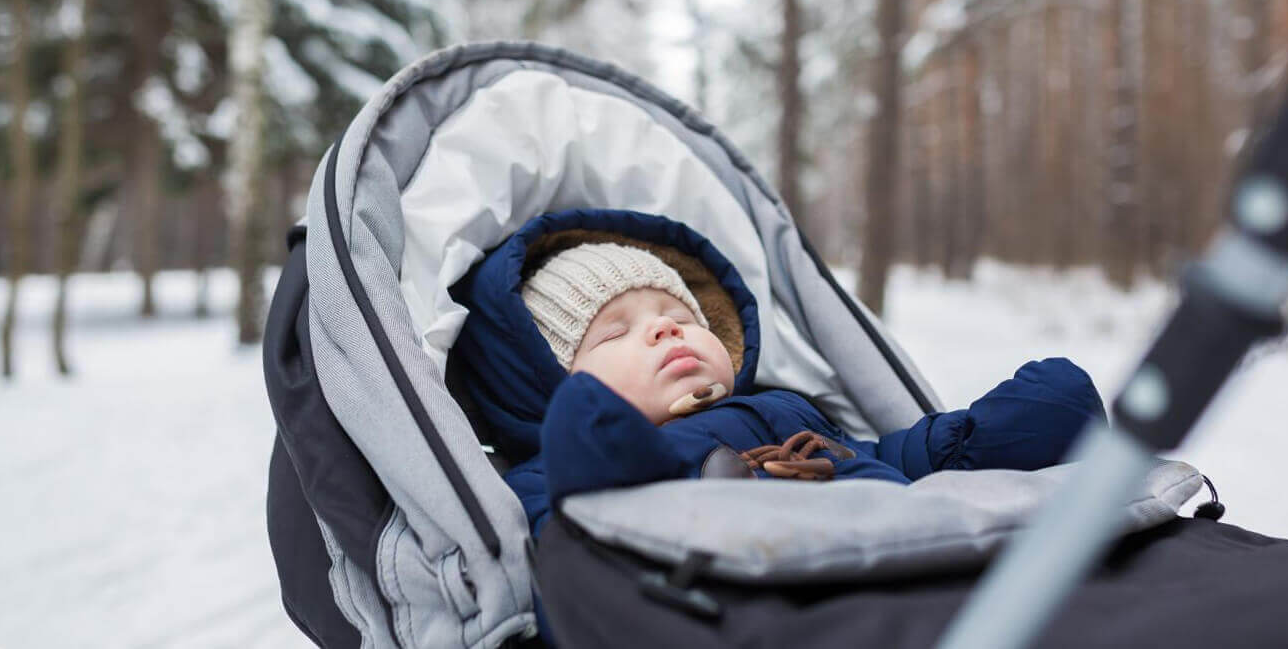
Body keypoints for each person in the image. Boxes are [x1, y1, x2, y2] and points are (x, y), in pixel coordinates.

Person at [450, 210, 1109, 547]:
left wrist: (971, 439)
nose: (665, 329)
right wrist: (611, 468)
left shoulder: (787, 408)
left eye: (679, 313)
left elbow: (882, 455)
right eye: (614, 332)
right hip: (758, 602)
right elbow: (570, 566)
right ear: (543, 381)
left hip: (913, 548)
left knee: (1051, 402)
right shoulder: (544, 477)